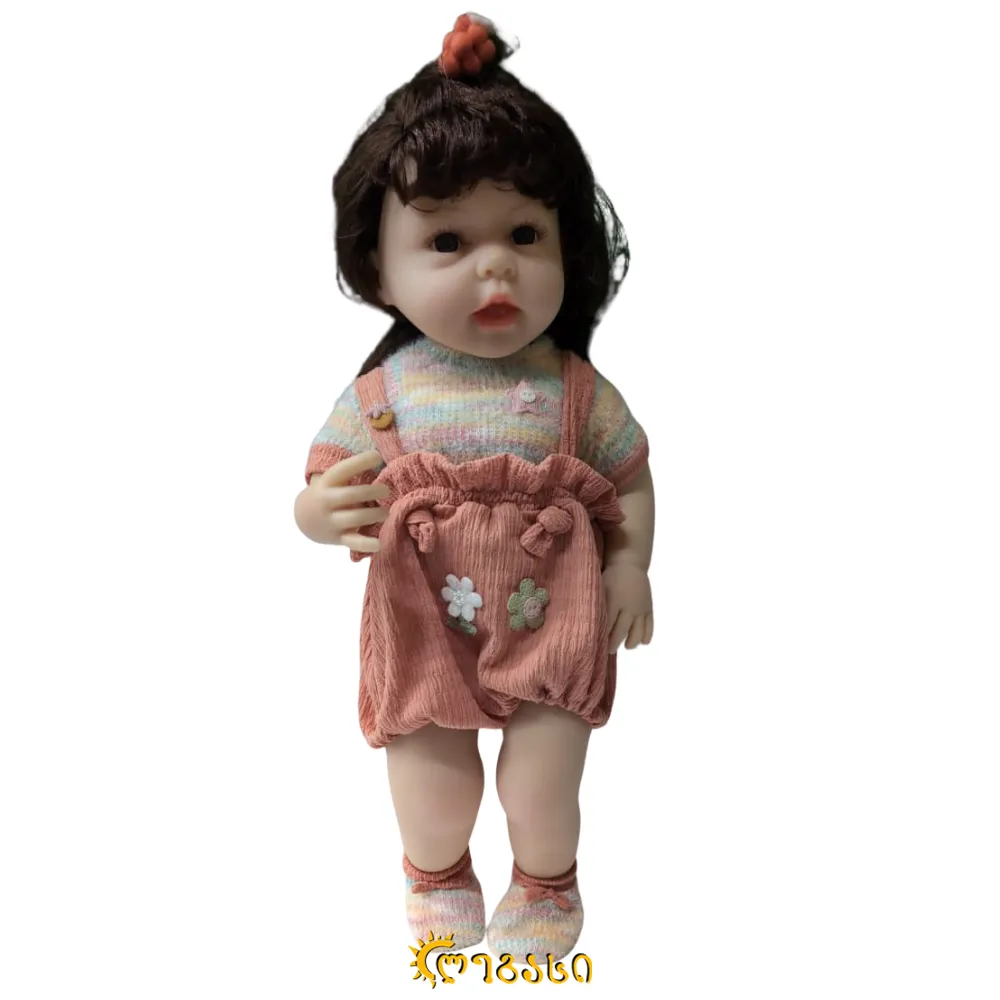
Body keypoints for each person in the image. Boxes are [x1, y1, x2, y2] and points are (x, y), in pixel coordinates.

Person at [294, 12, 655, 964]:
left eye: (524, 233)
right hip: (425, 621)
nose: (495, 265)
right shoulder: (382, 396)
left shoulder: (574, 392)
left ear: (568, 246)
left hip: (556, 616)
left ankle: (545, 883)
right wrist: (317, 514)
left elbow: (629, 475)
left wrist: (629, 566)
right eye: (448, 240)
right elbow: (323, 480)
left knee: (542, 788)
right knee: (433, 785)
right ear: (379, 267)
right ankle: (437, 872)